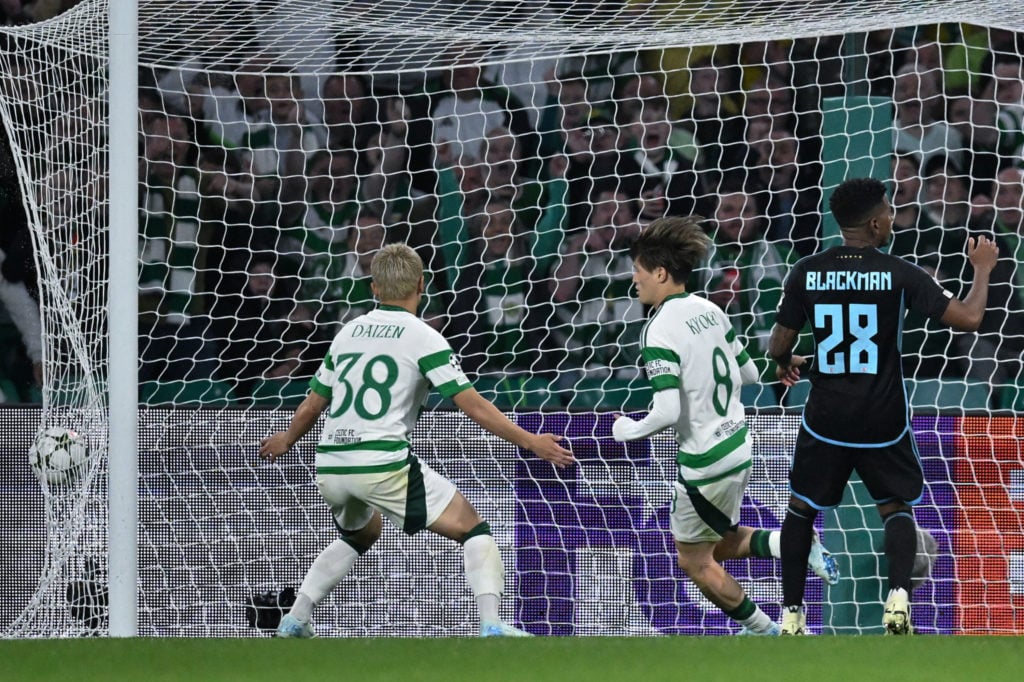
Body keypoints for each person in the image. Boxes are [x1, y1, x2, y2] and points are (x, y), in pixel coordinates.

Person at [259, 243, 575, 638]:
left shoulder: (347, 334)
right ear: (421, 285)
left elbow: (313, 403)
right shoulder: (424, 338)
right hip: (380, 461)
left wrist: (286, 440)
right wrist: (530, 441)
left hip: (332, 463)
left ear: (374, 287)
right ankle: (492, 623)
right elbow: (471, 405)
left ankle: (295, 619)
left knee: (362, 533)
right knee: (473, 530)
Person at [768, 177, 1000, 635]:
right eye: (890, 212)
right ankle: (898, 599)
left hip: (826, 416)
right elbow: (970, 319)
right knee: (895, 507)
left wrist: (785, 361)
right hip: (882, 414)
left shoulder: (807, 270)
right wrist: (983, 269)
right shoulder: (898, 272)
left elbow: (779, 341)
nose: (893, 218)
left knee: (800, 509)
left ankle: (791, 614)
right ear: (875, 223)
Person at [611, 216, 839, 637]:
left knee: (693, 561)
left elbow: (664, 411)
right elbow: (751, 373)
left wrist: (625, 429)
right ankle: (793, 543)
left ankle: (767, 632)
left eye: (638, 271)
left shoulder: (657, 329)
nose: (634, 280)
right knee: (718, 541)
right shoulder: (710, 309)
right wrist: (781, 366)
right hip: (738, 445)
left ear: (661, 273)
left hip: (705, 462)